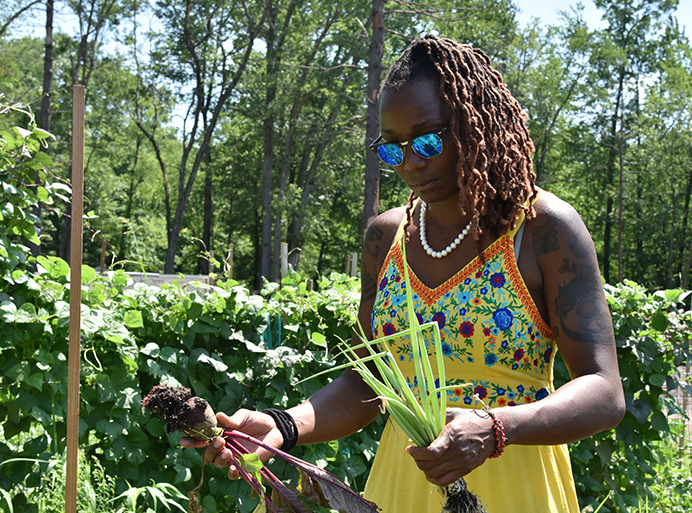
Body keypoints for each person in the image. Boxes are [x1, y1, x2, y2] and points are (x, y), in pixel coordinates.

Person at [182, 34, 625, 512]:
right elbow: (368, 382)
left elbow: (604, 392)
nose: (412, 162)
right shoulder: (384, 238)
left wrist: (496, 427)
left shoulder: (542, 229)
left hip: (516, 486)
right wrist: (284, 423)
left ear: (477, 127)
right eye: (393, 149)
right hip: (403, 484)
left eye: (429, 139)